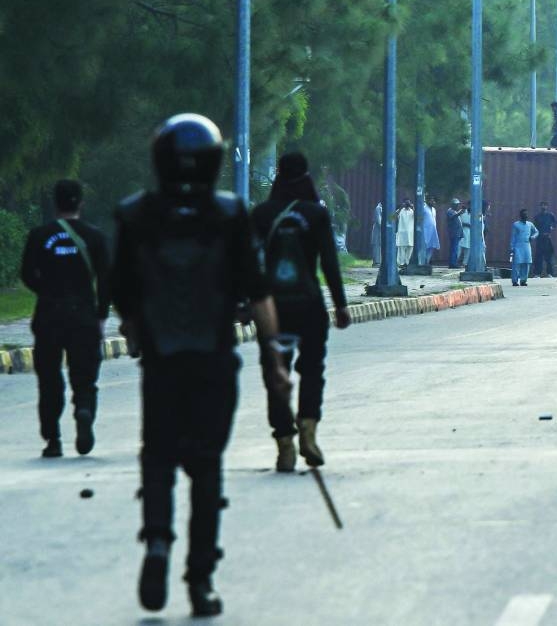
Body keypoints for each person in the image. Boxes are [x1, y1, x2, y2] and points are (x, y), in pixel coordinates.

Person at [111, 114, 291, 617]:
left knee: (159, 458)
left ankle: (157, 543)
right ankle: (200, 579)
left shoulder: (135, 216)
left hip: (162, 363)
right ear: (214, 162)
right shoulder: (230, 215)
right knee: (207, 468)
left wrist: (134, 327)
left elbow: (120, 291)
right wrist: (273, 362)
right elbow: (258, 294)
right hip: (213, 361)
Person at [250, 152, 351, 473]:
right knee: (312, 370)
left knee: (274, 374)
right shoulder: (316, 214)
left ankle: (285, 447)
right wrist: (340, 304)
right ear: (306, 176)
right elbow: (329, 263)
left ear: (279, 175)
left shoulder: (261, 214)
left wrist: (243, 303)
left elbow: (247, 264)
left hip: (271, 307)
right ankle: (308, 431)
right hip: (308, 304)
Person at [20, 179, 110, 458]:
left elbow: (26, 274)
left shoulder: (39, 235)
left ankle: (53, 439)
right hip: (83, 315)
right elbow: (106, 279)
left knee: (49, 379)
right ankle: (83, 408)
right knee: (85, 375)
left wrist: (45, 291)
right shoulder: (94, 237)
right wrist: (101, 314)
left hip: (49, 315)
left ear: (55, 203)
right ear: (80, 203)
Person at [509, 209, 539, 286]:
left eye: (526, 214)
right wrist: (512, 247)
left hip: (527, 245)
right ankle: (515, 281)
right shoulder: (516, 224)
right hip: (518, 246)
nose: (525, 215)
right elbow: (513, 237)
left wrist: (532, 237)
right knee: (517, 264)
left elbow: (537, 232)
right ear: (520, 215)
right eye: (524, 214)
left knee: (526, 263)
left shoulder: (530, 224)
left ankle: (523, 280)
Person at [532, 201, 557, 277]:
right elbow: (534, 227)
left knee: (548, 257)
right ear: (540, 206)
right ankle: (537, 273)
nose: (543, 207)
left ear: (547, 206)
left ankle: (550, 273)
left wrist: (552, 227)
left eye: (545, 205)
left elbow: (555, 222)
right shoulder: (537, 217)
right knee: (538, 256)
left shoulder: (550, 215)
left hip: (547, 238)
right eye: (542, 205)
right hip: (540, 238)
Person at [394, 198, 415, 267]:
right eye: (406, 203)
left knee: (410, 249)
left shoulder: (412, 211)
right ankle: (401, 263)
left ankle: (407, 263)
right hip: (402, 233)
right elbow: (391, 218)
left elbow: (419, 218)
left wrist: (413, 207)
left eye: (408, 203)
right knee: (401, 249)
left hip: (410, 233)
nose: (407, 205)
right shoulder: (400, 211)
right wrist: (400, 208)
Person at [419, 197, 440, 265]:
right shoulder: (424, 208)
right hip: (425, 231)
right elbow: (419, 219)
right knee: (424, 246)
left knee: (431, 247)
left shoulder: (434, 210)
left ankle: (427, 262)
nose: (433, 202)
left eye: (434, 201)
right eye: (432, 201)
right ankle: (421, 263)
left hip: (433, 231)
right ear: (428, 201)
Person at [446, 198, 464, 267]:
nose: (457, 206)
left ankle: (454, 262)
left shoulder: (455, 211)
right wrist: (459, 213)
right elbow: (452, 217)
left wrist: (460, 212)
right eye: (456, 204)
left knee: (455, 249)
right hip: (454, 233)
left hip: (457, 233)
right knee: (454, 249)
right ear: (453, 205)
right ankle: (453, 263)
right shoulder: (450, 211)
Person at [458, 201, 472, 266]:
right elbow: (458, 221)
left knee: (468, 250)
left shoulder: (474, 213)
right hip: (461, 232)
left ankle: (464, 263)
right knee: (459, 249)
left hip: (470, 234)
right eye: (469, 205)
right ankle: (455, 262)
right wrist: (465, 224)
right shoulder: (462, 212)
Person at [370, 201, 382, 267]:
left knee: (380, 246)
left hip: (382, 230)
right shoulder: (378, 208)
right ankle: (376, 262)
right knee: (377, 246)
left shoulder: (384, 208)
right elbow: (379, 221)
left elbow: (391, 218)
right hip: (378, 230)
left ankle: (379, 261)